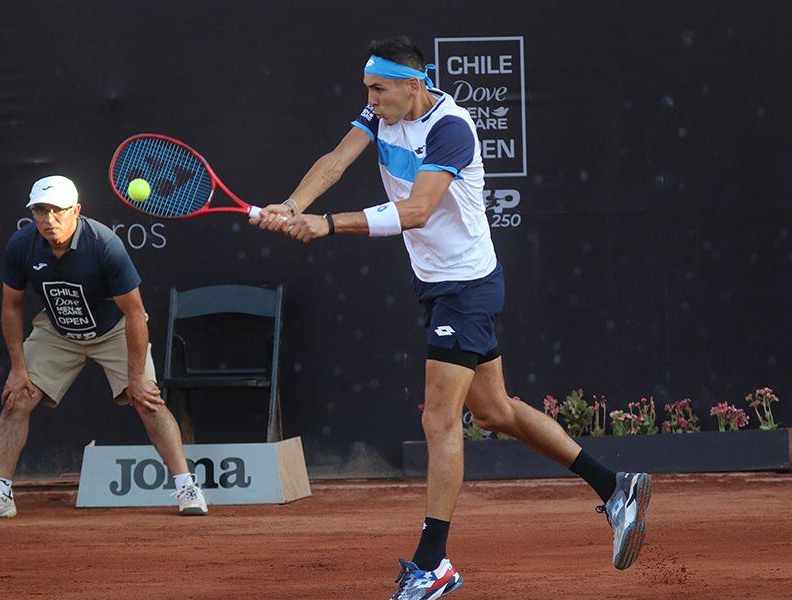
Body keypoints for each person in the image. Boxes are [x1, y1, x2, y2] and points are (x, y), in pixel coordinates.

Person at [252, 37, 652, 599]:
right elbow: (336, 161)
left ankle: (433, 562)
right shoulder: (380, 111)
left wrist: (328, 225)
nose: (369, 98)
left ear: (413, 85)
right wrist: (294, 205)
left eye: (378, 88)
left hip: (466, 286)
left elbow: (416, 211)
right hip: (440, 285)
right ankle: (616, 488)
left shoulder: (451, 129)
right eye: (368, 88)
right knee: (494, 411)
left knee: (440, 421)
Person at [0, 175, 207, 519]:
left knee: (148, 400)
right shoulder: (21, 245)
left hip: (114, 330)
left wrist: (136, 377)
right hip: (58, 331)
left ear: (76, 210)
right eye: (40, 211)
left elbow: (135, 315)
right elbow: (11, 306)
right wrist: (18, 368)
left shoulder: (104, 245)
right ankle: (1, 494)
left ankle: (186, 487)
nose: (49, 220)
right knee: (16, 399)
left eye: (58, 211)